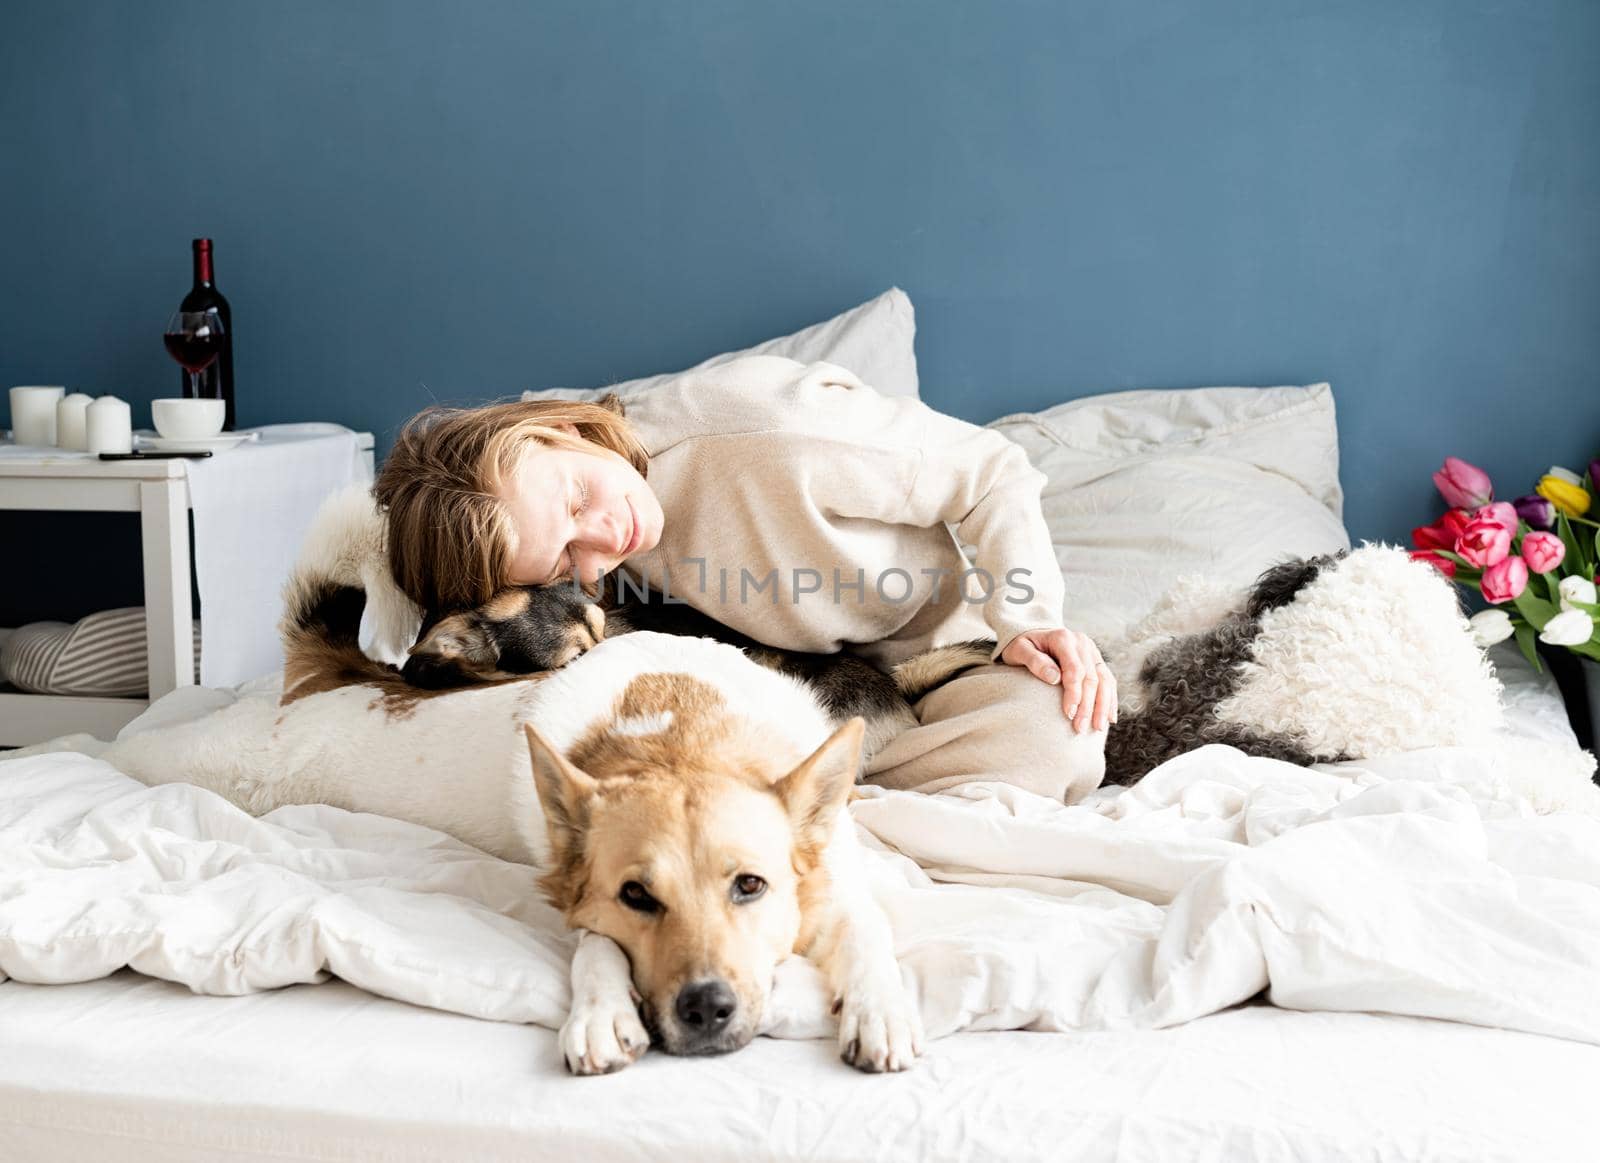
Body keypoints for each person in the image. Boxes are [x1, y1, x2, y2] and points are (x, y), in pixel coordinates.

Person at [374, 355, 1112, 802]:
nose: (602, 542)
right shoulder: (566, 550)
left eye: (575, 499)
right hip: (795, 687)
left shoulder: (774, 431)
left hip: (933, 652)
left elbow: (991, 472)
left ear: (560, 429)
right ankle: (807, 809)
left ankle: (822, 807)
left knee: (1060, 739)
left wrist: (1032, 618)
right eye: (566, 558)